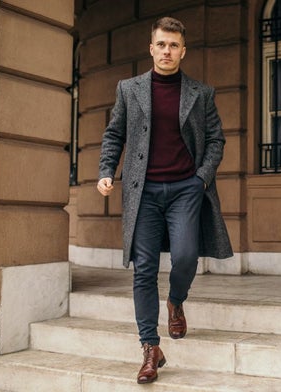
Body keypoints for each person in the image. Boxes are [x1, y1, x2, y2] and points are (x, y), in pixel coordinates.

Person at [96, 16, 233, 384]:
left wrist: (201, 179)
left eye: (174, 45)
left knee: (187, 256)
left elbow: (217, 140)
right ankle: (149, 349)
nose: (167, 51)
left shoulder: (201, 94)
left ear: (182, 51)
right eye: (161, 44)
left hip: (186, 189)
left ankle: (175, 300)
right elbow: (114, 134)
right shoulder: (129, 89)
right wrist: (106, 170)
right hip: (143, 193)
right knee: (144, 269)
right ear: (151, 48)